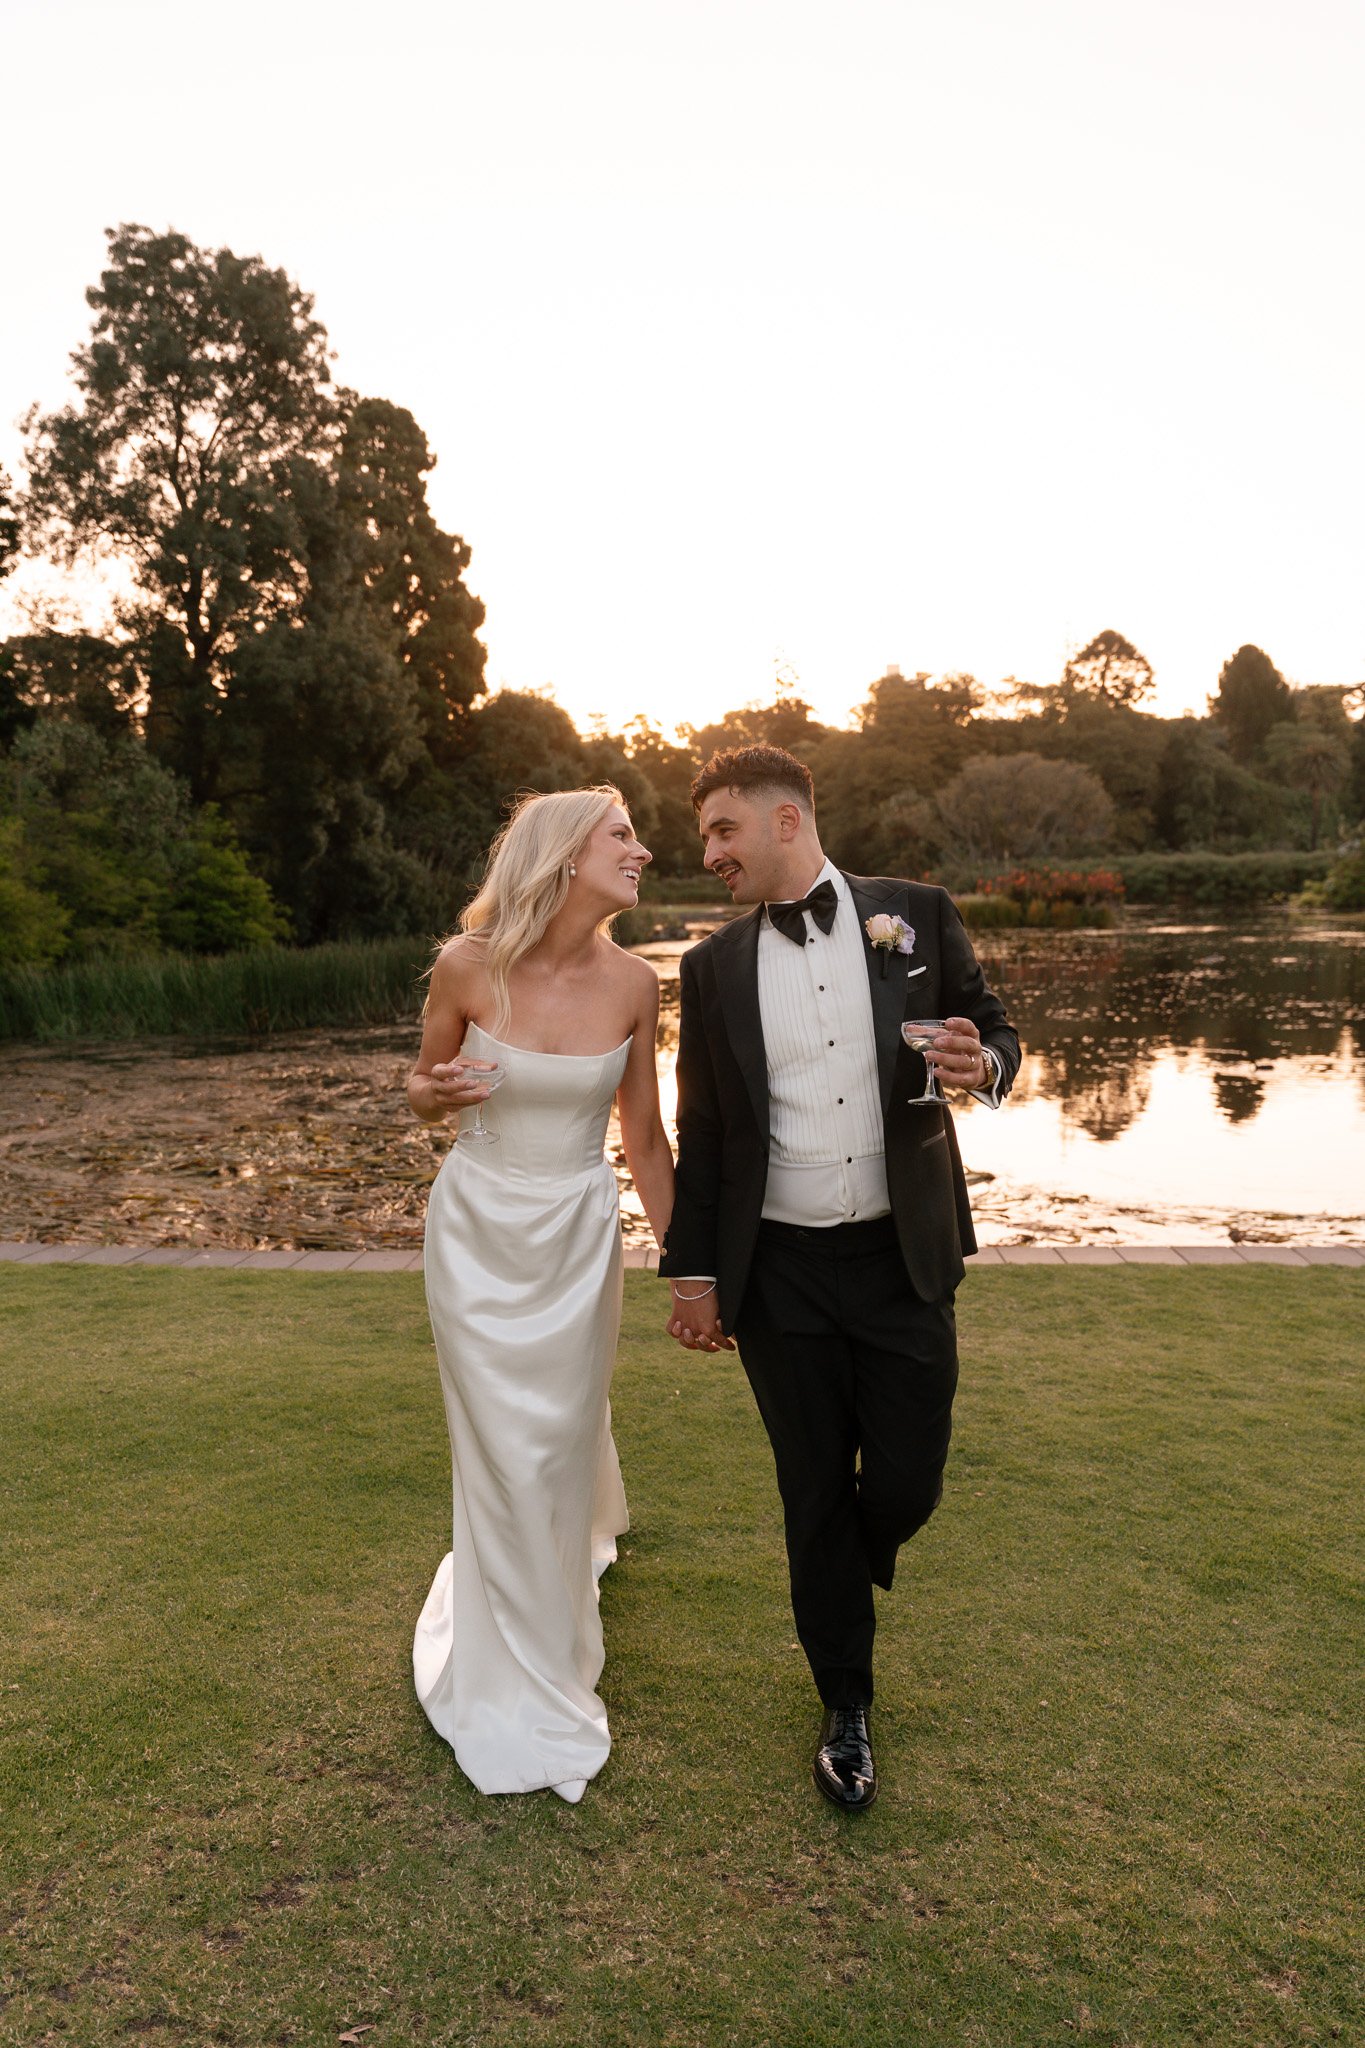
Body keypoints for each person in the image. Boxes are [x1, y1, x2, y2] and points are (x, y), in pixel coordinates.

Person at [658, 744, 1020, 1810]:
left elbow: (994, 1026)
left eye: (723, 831)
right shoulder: (709, 967)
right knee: (810, 1486)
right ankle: (845, 1705)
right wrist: (691, 1272)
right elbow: (707, 1128)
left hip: (903, 1257)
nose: (711, 854)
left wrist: (985, 1064)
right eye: (704, 839)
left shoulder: (915, 912)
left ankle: (844, 1558)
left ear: (784, 820)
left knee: (905, 1477)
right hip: (783, 1272)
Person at [407, 786, 674, 1803]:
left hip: (575, 1234)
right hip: (477, 1233)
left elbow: (645, 1139)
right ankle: (508, 1662)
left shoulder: (638, 984)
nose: (642, 850)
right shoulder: (467, 967)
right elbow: (424, 1084)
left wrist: (688, 1265)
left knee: (556, 1436)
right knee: (499, 1446)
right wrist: (432, 1091)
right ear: (564, 855)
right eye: (622, 836)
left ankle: (558, 1606)